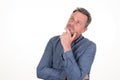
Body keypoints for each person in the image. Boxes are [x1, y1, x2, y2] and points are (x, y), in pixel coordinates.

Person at [37, 7, 96, 80]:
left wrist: (67, 46)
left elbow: (75, 78)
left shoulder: (89, 46)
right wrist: (65, 76)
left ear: (84, 30)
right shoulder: (53, 41)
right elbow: (40, 71)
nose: (72, 23)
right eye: (71, 19)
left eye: (78, 22)